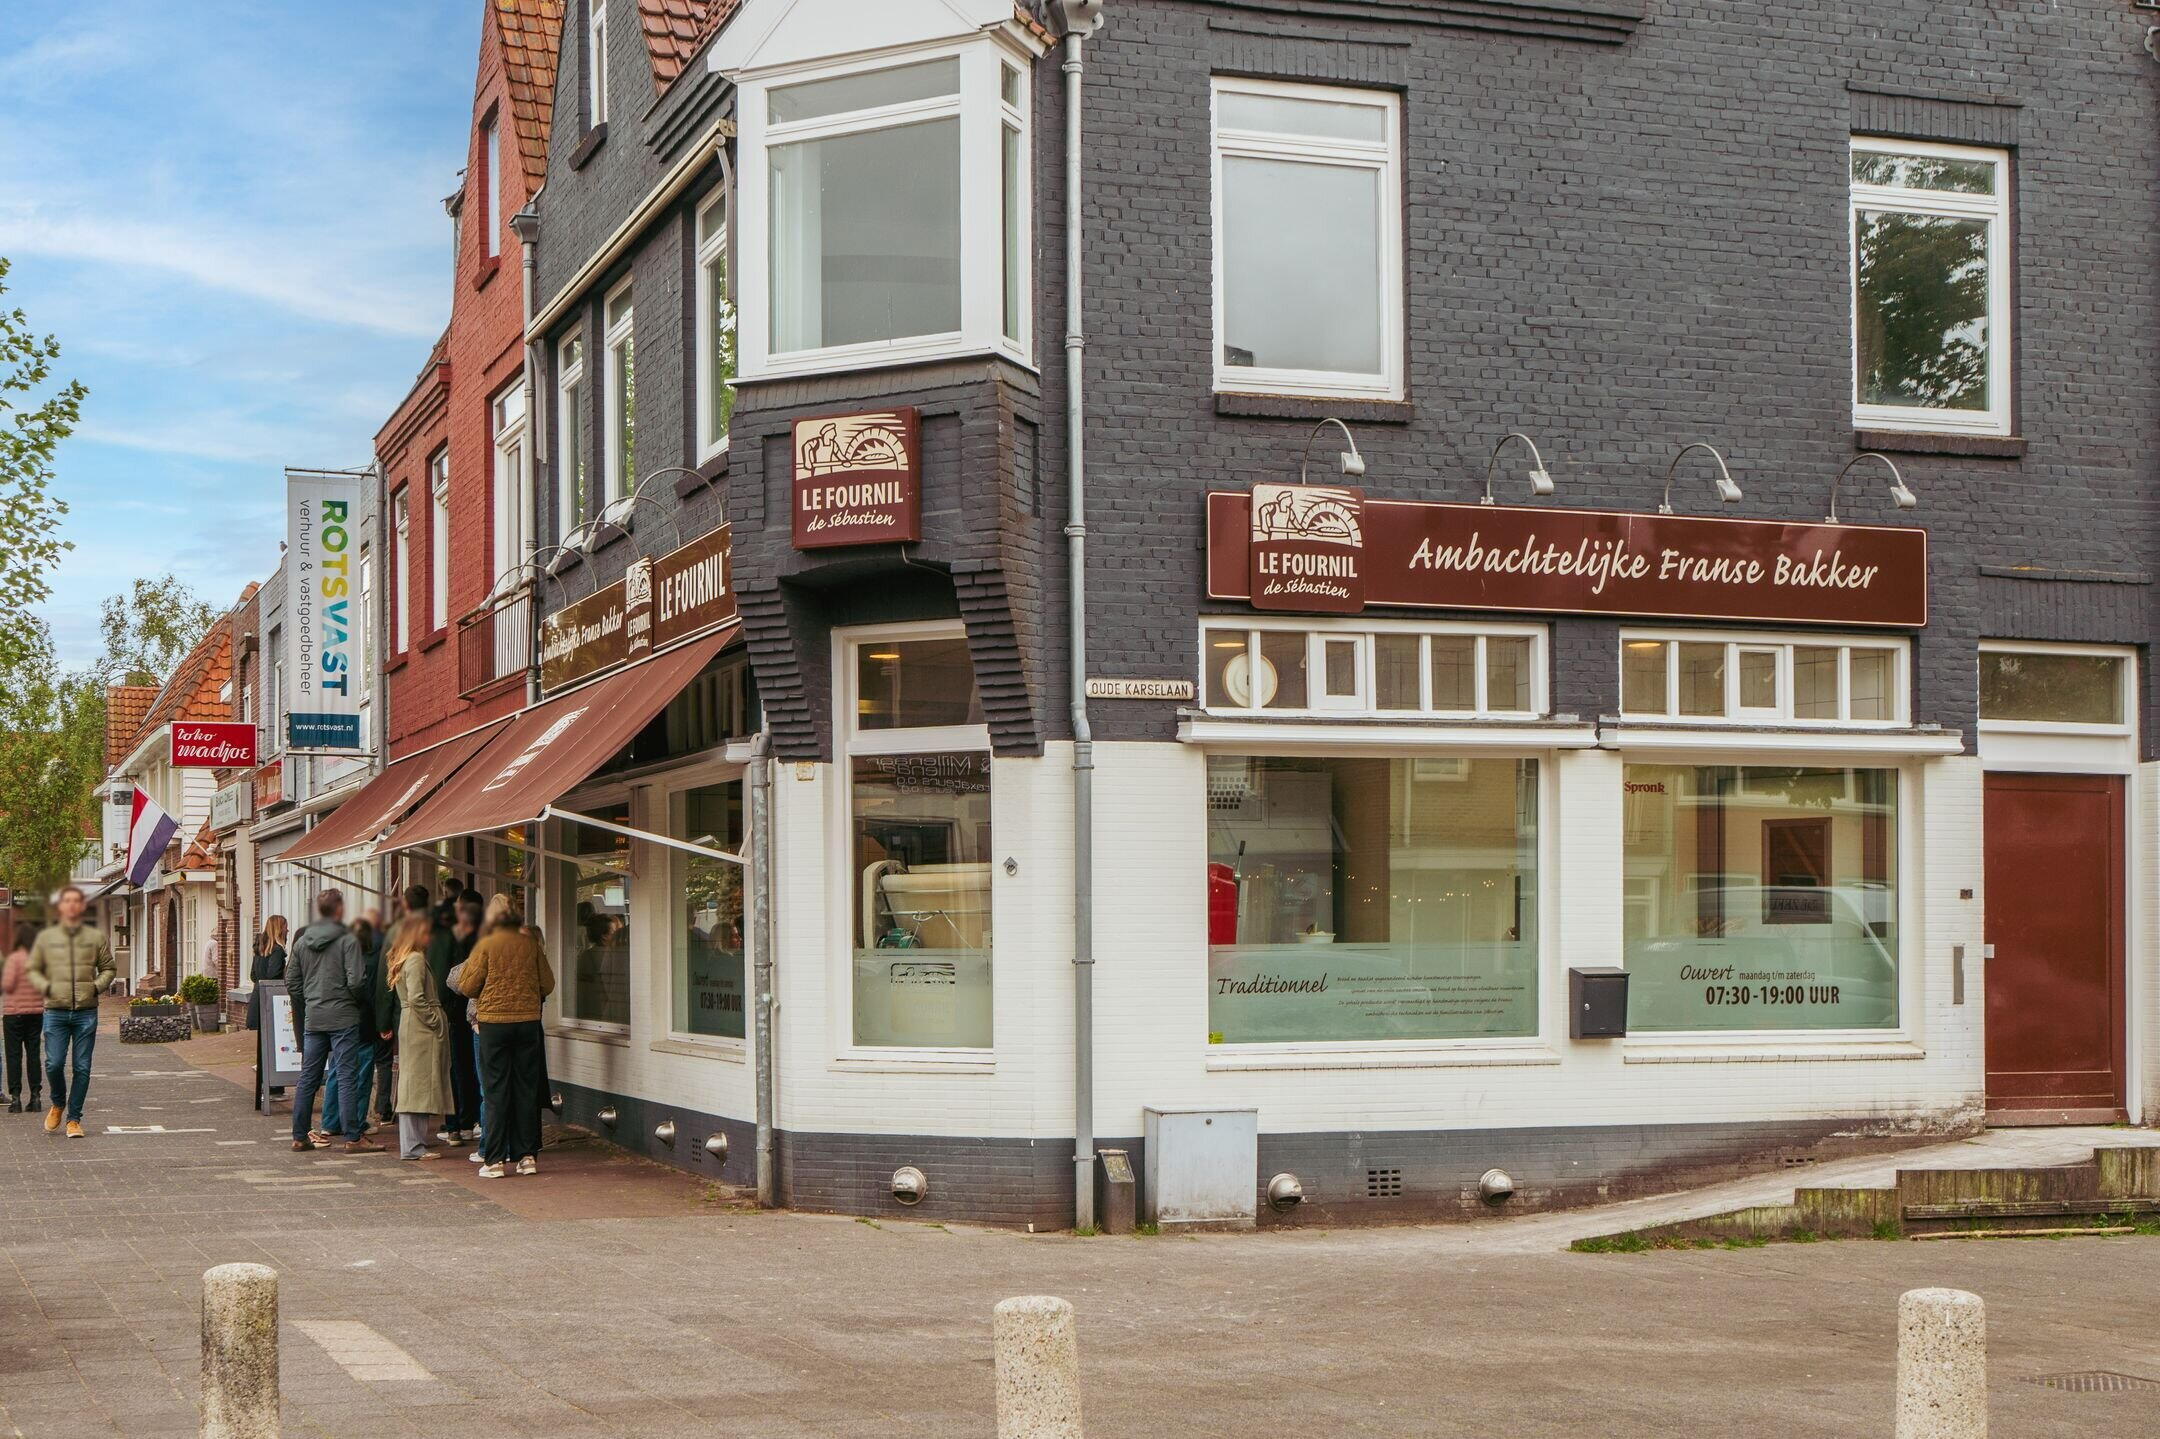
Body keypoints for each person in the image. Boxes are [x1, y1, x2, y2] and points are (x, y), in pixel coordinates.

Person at [457, 895, 554, 1178]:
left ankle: (495, 1160)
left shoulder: (486, 945)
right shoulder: (530, 944)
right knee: (525, 1090)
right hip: (527, 1023)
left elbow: (467, 986)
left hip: (494, 1025)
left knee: (496, 1091)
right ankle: (527, 1157)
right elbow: (548, 983)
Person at [286, 890, 381, 1154]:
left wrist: (311, 1000)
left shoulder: (302, 942)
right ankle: (353, 1138)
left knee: (308, 1078)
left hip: (314, 1018)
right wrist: (352, 1001)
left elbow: (291, 981)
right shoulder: (348, 940)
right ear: (339, 909)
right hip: (343, 1017)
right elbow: (357, 981)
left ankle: (299, 1136)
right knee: (347, 1076)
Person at [25, 884, 115, 1137]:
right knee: (53, 1063)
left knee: (82, 1067)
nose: (72, 905)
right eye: (68, 901)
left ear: (82, 906)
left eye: (77, 901)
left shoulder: (95, 937)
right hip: (55, 1011)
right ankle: (57, 1103)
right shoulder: (46, 938)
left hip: (86, 1012)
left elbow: (108, 968)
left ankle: (74, 1119)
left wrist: (95, 987)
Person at [383, 915, 453, 1161]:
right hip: (421, 1028)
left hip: (412, 1025)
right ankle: (413, 1146)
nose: (429, 937)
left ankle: (415, 1144)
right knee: (418, 1085)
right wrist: (435, 1021)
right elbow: (416, 997)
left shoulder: (404, 959)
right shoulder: (416, 959)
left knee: (415, 1083)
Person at [2, 920, 44, 1114]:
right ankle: (35, 1097)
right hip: (35, 1013)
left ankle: (16, 1098)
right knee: (33, 1054)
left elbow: (8, 984)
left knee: (14, 1055)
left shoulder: (14, 958)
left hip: (14, 1013)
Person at [248, 916, 289, 1100]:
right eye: (285, 927)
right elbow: (273, 975)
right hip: (272, 1002)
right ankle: (274, 1089)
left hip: (258, 998)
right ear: (279, 929)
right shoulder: (277, 951)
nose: (288, 930)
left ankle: (265, 1088)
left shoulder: (259, 949)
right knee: (274, 1044)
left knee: (264, 1046)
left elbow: (252, 975)